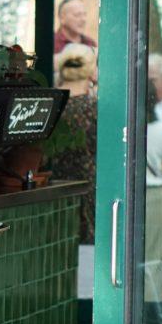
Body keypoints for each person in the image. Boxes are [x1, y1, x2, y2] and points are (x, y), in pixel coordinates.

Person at [50, 43, 98, 244]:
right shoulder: (96, 107)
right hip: (88, 195)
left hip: (52, 191)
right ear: (91, 70)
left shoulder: (49, 104)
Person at [144, 53, 162, 268]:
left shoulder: (126, 130)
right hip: (155, 191)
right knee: (152, 255)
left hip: (128, 191)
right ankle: (151, 299)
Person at [53, 0, 97, 66]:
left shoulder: (90, 43)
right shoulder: (51, 44)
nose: (83, 19)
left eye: (84, 14)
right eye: (77, 15)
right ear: (62, 18)